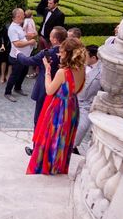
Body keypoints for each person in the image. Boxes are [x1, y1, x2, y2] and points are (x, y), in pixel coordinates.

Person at [26, 37, 86, 175]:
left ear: (68, 54)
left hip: (59, 108)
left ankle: (46, 167)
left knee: (51, 139)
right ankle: (58, 166)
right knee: (64, 141)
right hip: (72, 107)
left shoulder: (63, 72)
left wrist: (47, 71)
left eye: (62, 52)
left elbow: (49, 90)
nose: (59, 54)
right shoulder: (82, 69)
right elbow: (77, 90)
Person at [18, 26, 67, 132]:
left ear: (55, 39)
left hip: (45, 89)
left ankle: (37, 146)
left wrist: (18, 54)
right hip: (61, 91)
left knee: (39, 119)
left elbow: (29, 61)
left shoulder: (47, 53)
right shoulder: (69, 53)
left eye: (51, 36)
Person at [4, 8, 37, 102]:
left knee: (23, 72)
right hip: (17, 56)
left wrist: (28, 37)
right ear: (18, 16)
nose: (24, 16)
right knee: (15, 75)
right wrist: (30, 42)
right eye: (23, 14)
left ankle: (18, 88)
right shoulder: (12, 28)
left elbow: (23, 37)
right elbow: (17, 44)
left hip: (25, 56)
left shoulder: (20, 25)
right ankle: (7, 92)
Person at [74, 45, 102, 153]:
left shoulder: (102, 72)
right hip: (73, 99)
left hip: (86, 105)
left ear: (94, 58)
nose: (83, 57)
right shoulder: (80, 64)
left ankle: (73, 148)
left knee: (81, 128)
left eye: (86, 55)